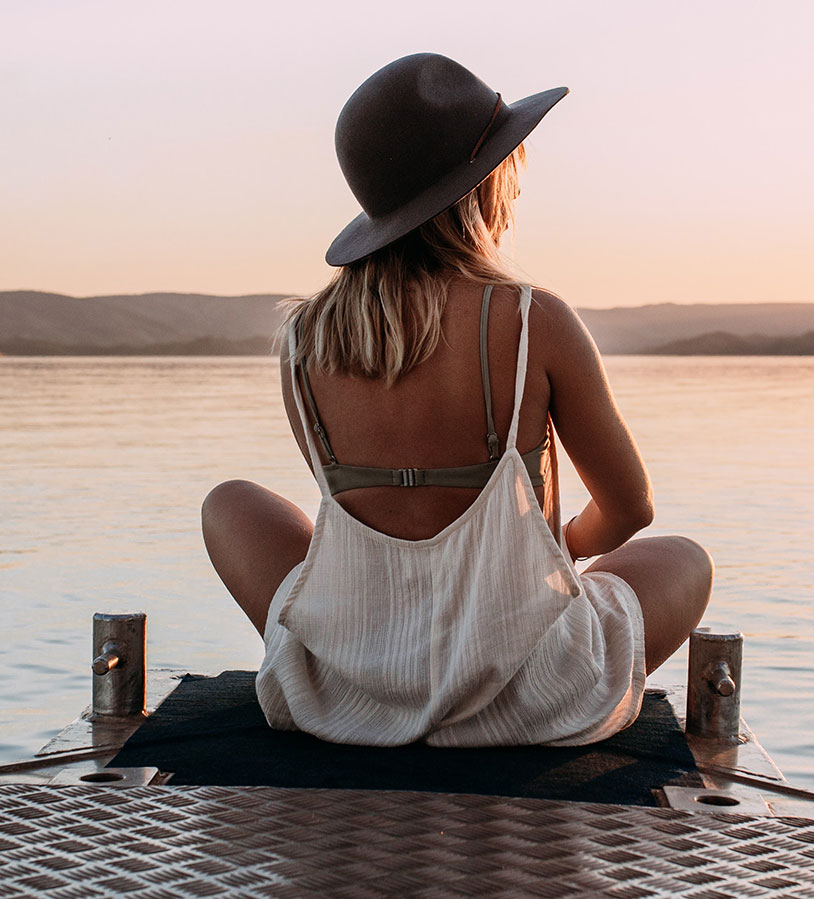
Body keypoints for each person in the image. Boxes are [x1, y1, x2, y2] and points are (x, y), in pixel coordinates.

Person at [202, 53, 712, 747]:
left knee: (229, 504)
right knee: (684, 558)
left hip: (349, 693)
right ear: (479, 189)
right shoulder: (534, 321)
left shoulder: (305, 340)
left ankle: (363, 672)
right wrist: (541, 550)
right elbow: (631, 509)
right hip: (531, 697)